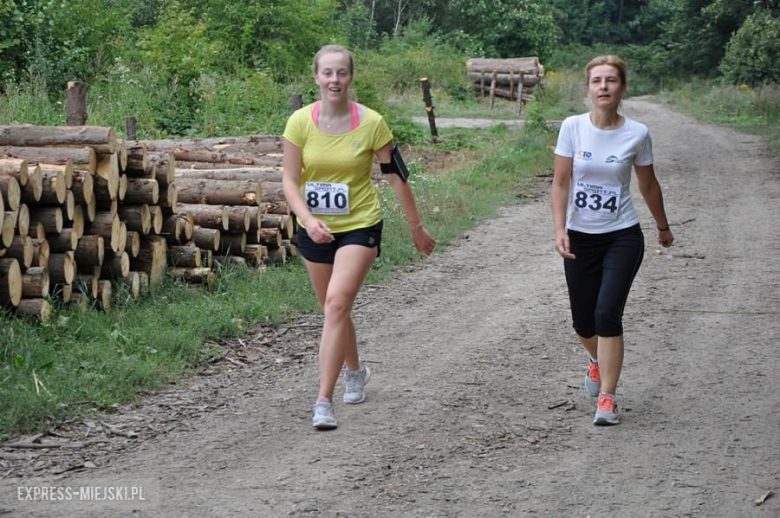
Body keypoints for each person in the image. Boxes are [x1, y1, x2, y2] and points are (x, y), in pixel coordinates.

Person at [282, 45, 436, 430]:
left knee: (335, 305)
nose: (335, 80)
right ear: (316, 77)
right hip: (314, 228)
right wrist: (306, 219)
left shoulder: (372, 123)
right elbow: (289, 180)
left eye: (342, 73)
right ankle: (355, 369)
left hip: (360, 225)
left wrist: (417, 228)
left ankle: (322, 401)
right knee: (333, 308)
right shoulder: (299, 122)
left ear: (351, 77)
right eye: (328, 73)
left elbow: (397, 177)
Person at [551, 55, 674, 426]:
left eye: (611, 80)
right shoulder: (572, 127)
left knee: (607, 313)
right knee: (583, 324)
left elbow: (648, 185)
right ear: (587, 89)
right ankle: (595, 360)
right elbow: (559, 183)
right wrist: (560, 229)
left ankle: (607, 397)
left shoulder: (637, 133)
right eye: (597, 81)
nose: (603, 86)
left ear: (623, 88)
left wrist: (663, 227)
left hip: (622, 234)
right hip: (579, 237)